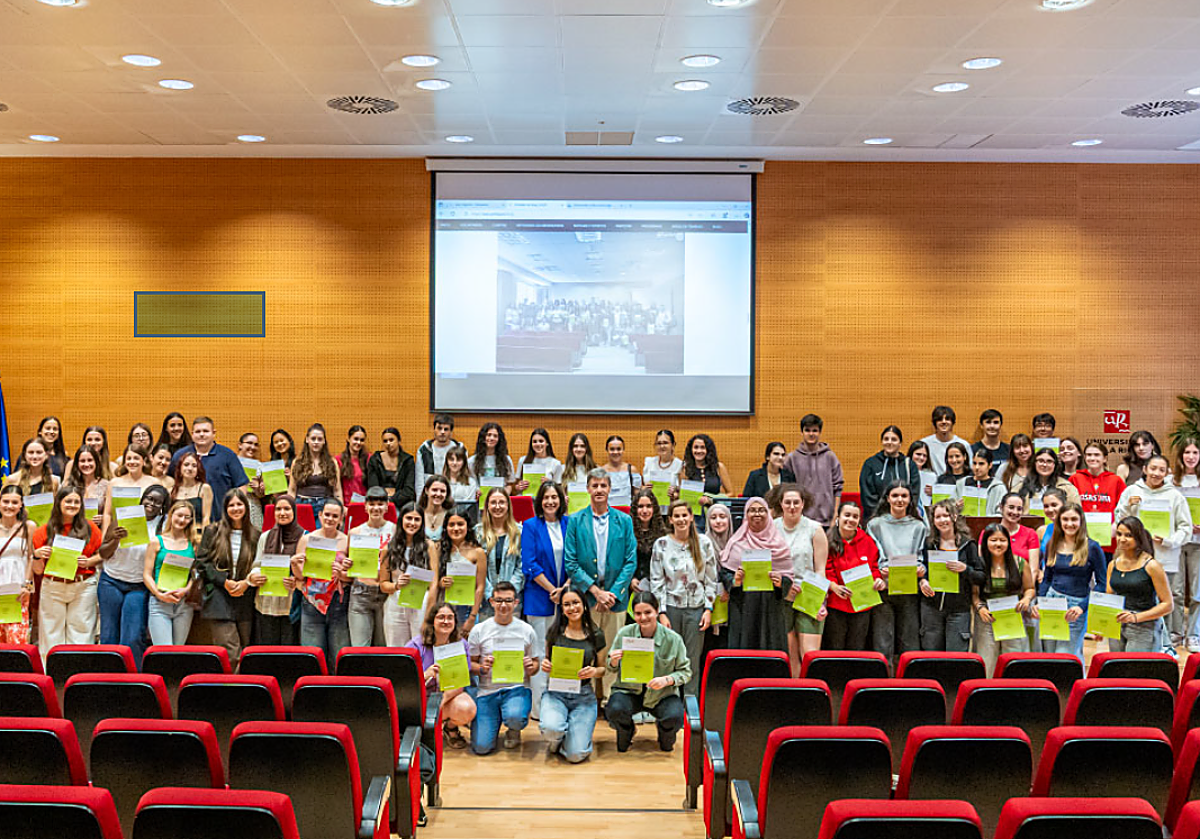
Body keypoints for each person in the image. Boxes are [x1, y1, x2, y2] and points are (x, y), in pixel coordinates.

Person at [564, 468, 637, 701]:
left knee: (613, 652)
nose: (598, 490)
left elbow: (630, 561)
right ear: (587, 489)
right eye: (594, 486)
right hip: (587, 599)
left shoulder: (624, 521)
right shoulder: (575, 520)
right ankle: (585, 698)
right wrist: (595, 591)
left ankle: (609, 699)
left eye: (603, 486)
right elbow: (571, 562)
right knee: (587, 650)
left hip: (616, 600)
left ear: (609, 489)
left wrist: (612, 594)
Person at [1115, 453, 1193, 653]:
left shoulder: (1175, 496)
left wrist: (1169, 541)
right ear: (1145, 470)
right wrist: (1127, 505)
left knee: (1165, 600)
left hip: (1165, 557)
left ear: (1167, 473)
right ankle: (1134, 638)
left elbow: (1186, 528)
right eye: (1153, 468)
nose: (1156, 473)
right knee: (1132, 598)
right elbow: (1118, 522)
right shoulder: (1132, 491)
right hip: (1133, 560)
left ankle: (1165, 645)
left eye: (1161, 470)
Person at [605, 591, 691, 752]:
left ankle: (664, 732)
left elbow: (685, 672)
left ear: (657, 611)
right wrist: (614, 660)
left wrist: (667, 680)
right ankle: (627, 730)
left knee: (674, 717)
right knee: (614, 709)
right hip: (629, 691)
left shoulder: (673, 639)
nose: (643, 617)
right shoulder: (625, 633)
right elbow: (610, 666)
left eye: (648, 612)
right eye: (638, 613)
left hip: (662, 694)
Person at [97, 481, 168, 667]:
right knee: (108, 635)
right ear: (142, 499)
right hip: (111, 581)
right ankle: (107, 678)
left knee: (133, 636)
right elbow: (103, 553)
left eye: (157, 502)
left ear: (163, 507)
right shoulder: (123, 517)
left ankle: (132, 680)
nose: (151, 504)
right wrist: (114, 539)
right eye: (149, 498)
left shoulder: (162, 525)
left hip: (138, 585)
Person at [651, 500, 718, 695]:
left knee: (691, 661)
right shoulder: (661, 544)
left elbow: (711, 579)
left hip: (696, 610)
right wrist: (661, 613)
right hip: (671, 609)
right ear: (670, 519)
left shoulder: (704, 543)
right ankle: (667, 705)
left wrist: (708, 609)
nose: (681, 519)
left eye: (684, 515)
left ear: (691, 517)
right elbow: (657, 581)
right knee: (668, 659)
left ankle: (690, 708)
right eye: (676, 516)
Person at [467, 581, 539, 754]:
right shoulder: (479, 630)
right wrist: (482, 667)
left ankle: (513, 729)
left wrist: (531, 667)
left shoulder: (527, 630)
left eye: (508, 600)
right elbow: (470, 665)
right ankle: (494, 717)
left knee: (515, 717)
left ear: (516, 602)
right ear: (491, 602)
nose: (503, 605)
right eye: (499, 601)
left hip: (516, 688)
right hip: (487, 691)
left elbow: (536, 664)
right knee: (481, 748)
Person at [33, 485, 104, 655]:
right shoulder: (43, 531)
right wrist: (37, 555)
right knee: (50, 634)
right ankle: (51, 676)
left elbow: (102, 554)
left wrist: (89, 561)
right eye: (68, 501)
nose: (72, 505)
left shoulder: (90, 528)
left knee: (82, 632)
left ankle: (78, 675)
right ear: (58, 503)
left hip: (83, 587)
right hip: (53, 587)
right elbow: (37, 571)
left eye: (76, 502)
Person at [717, 496, 793, 653]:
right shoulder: (736, 543)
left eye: (761, 510)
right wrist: (735, 580)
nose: (756, 514)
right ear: (746, 514)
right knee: (743, 654)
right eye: (752, 510)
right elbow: (725, 572)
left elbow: (788, 577)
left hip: (770, 609)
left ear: (768, 514)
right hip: (743, 608)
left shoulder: (779, 545)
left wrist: (781, 582)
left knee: (770, 654)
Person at [538, 588, 605, 763]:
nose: (572, 608)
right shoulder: (554, 632)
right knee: (551, 727)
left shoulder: (596, 634)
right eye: (566, 604)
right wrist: (545, 665)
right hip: (556, 693)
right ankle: (558, 737)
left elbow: (602, 668)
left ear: (584, 605)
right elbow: (546, 660)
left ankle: (568, 738)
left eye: (575, 602)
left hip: (583, 696)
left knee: (576, 755)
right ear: (561, 608)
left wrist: (594, 672)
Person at [521, 482, 571, 712]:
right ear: (539, 501)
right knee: (540, 651)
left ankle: (561, 703)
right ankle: (539, 707)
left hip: (567, 598)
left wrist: (565, 589)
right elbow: (529, 563)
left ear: (561, 500)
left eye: (554, 497)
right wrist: (553, 590)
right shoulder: (531, 525)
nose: (550, 501)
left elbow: (576, 559)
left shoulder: (569, 524)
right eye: (546, 497)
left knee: (562, 650)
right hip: (540, 597)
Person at [865, 482, 928, 664]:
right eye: (895, 495)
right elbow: (871, 555)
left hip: (909, 589)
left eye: (904, 496)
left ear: (910, 500)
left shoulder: (919, 526)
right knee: (882, 640)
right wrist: (879, 572)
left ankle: (909, 682)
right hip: (884, 588)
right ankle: (882, 681)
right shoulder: (875, 524)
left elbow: (923, 556)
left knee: (909, 640)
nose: (899, 500)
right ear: (887, 499)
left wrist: (921, 569)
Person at [198, 488, 260, 665]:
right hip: (219, 598)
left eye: (239, 504)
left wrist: (245, 583)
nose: (235, 508)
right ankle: (232, 690)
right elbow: (202, 562)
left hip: (245, 597)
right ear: (225, 508)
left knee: (246, 652)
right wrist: (223, 582)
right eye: (231, 505)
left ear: (246, 507)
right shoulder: (213, 530)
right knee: (231, 654)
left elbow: (259, 564)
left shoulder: (256, 534)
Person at [1039, 503, 1107, 661]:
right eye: (1065, 519)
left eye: (1074, 519)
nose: (1069, 524)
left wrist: (1082, 607)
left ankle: (1073, 686)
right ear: (1059, 521)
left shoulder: (1093, 547)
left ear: (1081, 521)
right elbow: (1047, 578)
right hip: (1052, 603)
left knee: (1067, 656)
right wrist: (1040, 601)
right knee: (1049, 655)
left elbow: (1102, 584)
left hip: (1075, 607)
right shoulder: (1052, 544)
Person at [290, 498, 351, 662]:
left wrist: (342, 574)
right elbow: (300, 576)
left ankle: (339, 688)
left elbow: (352, 577)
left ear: (340, 519)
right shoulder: (307, 539)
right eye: (327, 515)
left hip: (339, 602)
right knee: (312, 655)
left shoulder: (347, 540)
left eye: (335, 516)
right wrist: (294, 564)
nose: (330, 519)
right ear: (320, 515)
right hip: (311, 602)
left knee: (338, 655)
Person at [919, 500, 984, 651]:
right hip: (931, 608)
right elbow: (922, 570)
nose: (942, 520)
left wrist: (965, 569)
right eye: (938, 517)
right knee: (930, 657)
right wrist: (922, 582)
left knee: (956, 658)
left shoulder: (968, 545)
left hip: (958, 610)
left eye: (946, 516)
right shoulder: (929, 543)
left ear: (954, 517)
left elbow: (980, 577)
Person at [776, 486, 829, 670]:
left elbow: (820, 570)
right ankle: (795, 694)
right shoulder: (772, 527)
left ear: (803, 504)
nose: (792, 506)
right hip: (782, 596)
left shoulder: (815, 529)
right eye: (787, 502)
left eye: (796, 502)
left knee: (809, 655)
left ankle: (812, 693)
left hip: (809, 596)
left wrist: (821, 600)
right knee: (790, 657)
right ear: (781, 504)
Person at [973, 524, 1037, 675]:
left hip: (1012, 617)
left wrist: (1026, 599)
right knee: (987, 661)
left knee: (1013, 660)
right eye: (993, 540)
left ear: (1008, 542)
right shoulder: (979, 564)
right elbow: (974, 595)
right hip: (987, 618)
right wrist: (980, 608)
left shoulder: (1020, 562)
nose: (998, 544)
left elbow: (1030, 588)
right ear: (986, 542)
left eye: (1002, 540)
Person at [411, 600, 475, 750]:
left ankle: (450, 728)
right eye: (441, 617)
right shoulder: (416, 645)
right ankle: (424, 729)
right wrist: (425, 674)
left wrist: (439, 704)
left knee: (467, 708)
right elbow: (404, 679)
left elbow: (461, 682)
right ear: (432, 620)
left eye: (450, 617)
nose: (446, 621)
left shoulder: (461, 644)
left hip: (448, 696)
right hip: (421, 696)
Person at [1107, 517, 1174, 652]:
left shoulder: (1152, 566)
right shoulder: (1113, 564)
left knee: (1136, 671)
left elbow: (1168, 605)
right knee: (1117, 670)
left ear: (1138, 537)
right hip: (1117, 625)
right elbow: (1109, 597)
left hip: (1144, 627)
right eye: (1119, 534)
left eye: (1128, 535)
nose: (1122, 539)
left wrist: (1136, 617)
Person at [379, 501, 440, 648]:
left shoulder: (429, 546)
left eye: (417, 519)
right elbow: (383, 585)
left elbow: (434, 583)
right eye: (408, 518)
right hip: (395, 604)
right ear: (401, 520)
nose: (412, 523)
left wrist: (429, 615)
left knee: (422, 649)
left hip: (421, 604)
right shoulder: (389, 548)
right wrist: (396, 585)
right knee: (396, 649)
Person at [246, 494, 303, 645]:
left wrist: (295, 581)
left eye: (287, 509)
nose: (282, 513)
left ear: (294, 511)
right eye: (278, 509)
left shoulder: (304, 537)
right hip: (267, 603)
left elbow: (307, 573)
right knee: (267, 652)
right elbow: (256, 565)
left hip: (290, 604)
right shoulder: (265, 536)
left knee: (289, 653)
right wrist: (253, 577)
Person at [169, 417, 249, 522]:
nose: (201, 434)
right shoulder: (180, 455)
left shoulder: (228, 455)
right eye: (198, 431)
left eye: (206, 431)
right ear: (192, 434)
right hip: (185, 522)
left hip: (221, 520)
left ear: (213, 433)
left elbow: (241, 485)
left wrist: (236, 511)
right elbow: (170, 481)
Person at [144, 499, 200, 646]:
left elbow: (195, 575)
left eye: (187, 517)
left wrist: (186, 590)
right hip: (159, 602)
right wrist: (159, 594)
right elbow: (146, 574)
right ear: (171, 515)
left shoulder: (193, 543)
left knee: (179, 651)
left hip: (184, 604)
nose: (182, 520)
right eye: (179, 515)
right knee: (163, 651)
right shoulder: (156, 541)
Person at [347, 487, 395, 647]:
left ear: (387, 506)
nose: (376, 508)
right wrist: (347, 565)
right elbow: (348, 563)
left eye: (380, 504)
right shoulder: (355, 532)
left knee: (383, 648)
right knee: (359, 647)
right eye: (372, 504)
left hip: (386, 594)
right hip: (361, 592)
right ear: (365, 506)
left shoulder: (395, 530)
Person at [782, 414, 843, 527]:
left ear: (820, 432)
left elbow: (838, 487)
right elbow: (787, 489)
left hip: (827, 520)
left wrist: (835, 515)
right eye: (807, 430)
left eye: (815, 430)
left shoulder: (830, 457)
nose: (811, 434)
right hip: (801, 520)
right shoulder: (792, 458)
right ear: (802, 432)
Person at [1069, 441, 1125, 556]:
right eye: (1089, 455)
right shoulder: (1075, 479)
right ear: (1084, 458)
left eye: (1096, 455)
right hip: (1081, 539)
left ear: (1104, 458)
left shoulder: (1116, 480)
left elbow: (1124, 509)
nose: (1092, 458)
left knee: (1105, 573)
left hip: (1108, 540)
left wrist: (1115, 526)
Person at [476, 487, 523, 616]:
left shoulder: (520, 532)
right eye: (493, 502)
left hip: (512, 601)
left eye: (502, 502)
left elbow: (522, 566)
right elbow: (475, 567)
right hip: (486, 601)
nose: (497, 506)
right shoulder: (477, 532)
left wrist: (508, 592)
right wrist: (491, 593)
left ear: (508, 505)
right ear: (487, 506)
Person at [437, 511, 487, 634]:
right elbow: (431, 581)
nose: (456, 528)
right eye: (451, 525)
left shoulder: (478, 551)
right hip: (444, 606)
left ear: (467, 527)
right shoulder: (438, 548)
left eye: (460, 524)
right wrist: (441, 582)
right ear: (446, 527)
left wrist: (472, 616)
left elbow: (480, 586)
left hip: (468, 608)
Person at [1171, 439, 1200, 651]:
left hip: (1199, 543)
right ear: (1181, 455)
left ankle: (1194, 635)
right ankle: (1176, 632)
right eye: (1187, 452)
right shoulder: (1171, 481)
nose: (1191, 456)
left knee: (1198, 592)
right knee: (1176, 591)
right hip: (1177, 543)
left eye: (1195, 452)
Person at [0, 486, 37, 645]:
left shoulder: (28, 526)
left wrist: (27, 585)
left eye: (14, 502)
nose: (9, 506)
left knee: (16, 637)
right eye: (5, 501)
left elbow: (31, 557)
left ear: (21, 504)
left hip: (18, 588)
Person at [859, 426, 920, 520]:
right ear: (882, 442)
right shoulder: (870, 464)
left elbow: (914, 494)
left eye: (894, 439)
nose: (889, 442)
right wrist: (882, 518)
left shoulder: (910, 465)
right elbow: (867, 496)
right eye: (886, 439)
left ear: (900, 443)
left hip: (903, 519)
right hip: (876, 520)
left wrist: (901, 514)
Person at [288, 423, 342, 516]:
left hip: (325, 507)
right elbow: (292, 490)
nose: (316, 442)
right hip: (302, 505)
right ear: (307, 440)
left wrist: (340, 510)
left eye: (320, 439)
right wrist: (289, 509)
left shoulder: (332, 462)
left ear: (324, 441)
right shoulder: (297, 462)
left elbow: (337, 490)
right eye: (313, 439)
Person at [367, 427, 416, 509]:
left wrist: (391, 500)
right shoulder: (375, 459)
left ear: (399, 440)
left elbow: (409, 490)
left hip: (402, 504)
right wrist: (383, 501)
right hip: (379, 504)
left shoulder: (408, 460)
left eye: (391, 440)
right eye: (385, 441)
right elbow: (373, 487)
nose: (388, 443)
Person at [632, 486, 667, 596]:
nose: (645, 511)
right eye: (640, 507)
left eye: (648, 506)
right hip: (633, 587)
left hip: (658, 588)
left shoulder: (664, 533)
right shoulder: (627, 532)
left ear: (654, 509)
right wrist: (631, 579)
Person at [1015, 448, 1081, 508]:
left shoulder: (1068, 488)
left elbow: (1076, 513)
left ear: (1055, 465)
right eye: (1041, 461)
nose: (1044, 465)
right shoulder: (1020, 487)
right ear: (1034, 463)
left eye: (1049, 461)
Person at [414, 413, 458, 498]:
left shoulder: (459, 449)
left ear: (451, 432)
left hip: (453, 496)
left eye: (446, 429)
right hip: (430, 497)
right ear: (434, 429)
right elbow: (419, 481)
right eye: (439, 428)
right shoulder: (424, 450)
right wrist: (420, 504)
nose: (442, 432)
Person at [955, 447, 1006, 516]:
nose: (977, 467)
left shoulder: (999, 488)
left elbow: (1001, 514)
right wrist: (956, 507)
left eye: (981, 464)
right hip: (963, 524)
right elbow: (951, 510)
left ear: (990, 465)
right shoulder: (961, 483)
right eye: (974, 463)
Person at [921, 406, 971, 476]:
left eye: (947, 419)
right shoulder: (925, 444)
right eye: (940, 419)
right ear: (935, 422)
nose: (944, 422)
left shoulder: (964, 444)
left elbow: (970, 468)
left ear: (952, 422)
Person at [67, 446, 108, 526]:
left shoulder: (106, 485)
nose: (86, 464)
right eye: (82, 461)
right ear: (77, 463)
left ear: (96, 462)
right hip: (73, 531)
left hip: (97, 530)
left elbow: (110, 514)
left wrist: (103, 518)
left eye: (90, 460)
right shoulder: (68, 485)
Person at [515, 428, 564, 492]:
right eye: (534, 442)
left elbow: (559, 489)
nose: (538, 444)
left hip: (547, 499)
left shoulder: (556, 463)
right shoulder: (522, 460)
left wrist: (550, 483)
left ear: (547, 443)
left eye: (541, 441)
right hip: (528, 499)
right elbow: (515, 487)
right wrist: (519, 487)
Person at [171, 452, 213, 526]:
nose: (190, 468)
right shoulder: (172, 490)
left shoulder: (204, 488)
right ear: (180, 468)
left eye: (194, 466)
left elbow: (206, 518)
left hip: (197, 534)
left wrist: (204, 537)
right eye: (186, 465)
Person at [471, 422, 515, 488]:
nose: (491, 438)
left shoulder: (506, 460)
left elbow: (509, 484)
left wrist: (503, 496)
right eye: (488, 435)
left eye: (495, 436)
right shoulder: (471, 461)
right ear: (483, 437)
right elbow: (471, 484)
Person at [601, 435, 641, 505]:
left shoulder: (632, 470)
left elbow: (637, 494)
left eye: (619, 449)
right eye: (612, 449)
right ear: (607, 450)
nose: (615, 452)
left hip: (628, 513)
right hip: (608, 513)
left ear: (623, 450)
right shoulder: (601, 471)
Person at [972, 409, 1009, 476]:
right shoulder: (972, 450)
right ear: (981, 425)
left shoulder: (1009, 450)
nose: (992, 426)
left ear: (1001, 425)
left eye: (996, 422)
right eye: (988, 422)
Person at [338, 425, 370, 502]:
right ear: (348, 439)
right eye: (355, 439)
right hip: (345, 505)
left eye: (362, 440)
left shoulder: (369, 458)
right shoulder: (339, 460)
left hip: (364, 504)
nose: (358, 442)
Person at [420, 475, 455, 541]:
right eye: (434, 490)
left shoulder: (451, 516)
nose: (438, 494)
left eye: (442, 491)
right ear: (426, 491)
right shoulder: (418, 514)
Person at [908, 440, 936, 511]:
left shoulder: (932, 475)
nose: (921, 458)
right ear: (911, 454)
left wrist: (935, 493)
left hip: (926, 510)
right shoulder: (902, 471)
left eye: (924, 456)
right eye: (918, 454)